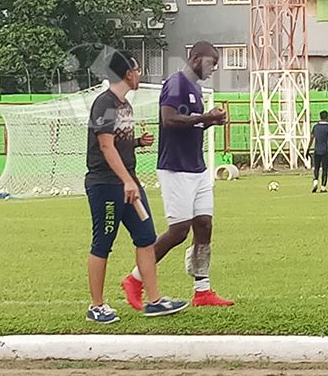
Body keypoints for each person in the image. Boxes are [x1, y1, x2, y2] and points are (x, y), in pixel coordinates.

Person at [122, 41, 233, 310]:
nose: (213, 69)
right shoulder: (177, 83)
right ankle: (134, 279)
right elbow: (169, 120)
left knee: (204, 225)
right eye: (211, 63)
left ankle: (202, 290)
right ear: (195, 59)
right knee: (179, 230)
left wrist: (210, 121)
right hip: (175, 167)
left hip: (197, 167)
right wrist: (205, 116)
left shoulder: (195, 88)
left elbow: (190, 125)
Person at [85, 51, 187, 323]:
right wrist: (127, 181)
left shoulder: (125, 106)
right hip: (107, 185)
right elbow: (105, 146)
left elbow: (117, 143)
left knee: (146, 237)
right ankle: (96, 306)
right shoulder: (104, 104)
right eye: (138, 70)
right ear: (128, 74)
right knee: (103, 242)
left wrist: (137, 142)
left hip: (129, 183)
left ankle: (154, 300)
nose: (140, 75)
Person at [308, 110, 328, 193]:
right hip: (325, 151)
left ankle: (315, 182)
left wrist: (307, 149)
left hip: (316, 150)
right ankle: (323, 187)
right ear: (327, 117)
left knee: (316, 168)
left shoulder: (315, 127)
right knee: (325, 170)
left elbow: (311, 138)